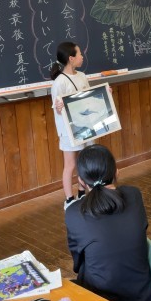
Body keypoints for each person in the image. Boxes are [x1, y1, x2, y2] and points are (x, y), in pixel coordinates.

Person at [65, 144, 151, 301]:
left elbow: (77, 264)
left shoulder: (74, 212)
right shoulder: (134, 195)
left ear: (81, 181)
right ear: (116, 172)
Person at [50, 41, 90, 209]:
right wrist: (59, 108)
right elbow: (57, 109)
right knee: (70, 165)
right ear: (71, 58)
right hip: (69, 131)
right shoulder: (59, 82)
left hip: (85, 127)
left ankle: (82, 192)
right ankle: (69, 199)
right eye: (79, 54)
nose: (82, 56)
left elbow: (89, 98)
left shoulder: (82, 76)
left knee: (83, 161)